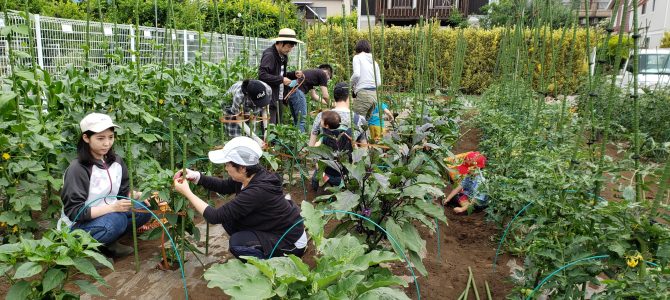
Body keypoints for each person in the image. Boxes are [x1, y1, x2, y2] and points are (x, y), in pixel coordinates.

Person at [172, 137, 307, 260]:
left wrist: (187, 192)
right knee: (230, 220)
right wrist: (196, 176)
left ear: (242, 168)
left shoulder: (257, 191)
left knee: (238, 244)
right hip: (274, 227)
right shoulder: (251, 175)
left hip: (290, 242)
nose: (225, 168)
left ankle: (269, 267)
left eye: (227, 165)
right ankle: (259, 247)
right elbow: (224, 186)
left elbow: (214, 216)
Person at [59, 113, 151, 258]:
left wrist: (140, 195)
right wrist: (112, 208)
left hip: (108, 215)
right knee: (116, 220)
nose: (107, 143)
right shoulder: (78, 169)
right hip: (77, 226)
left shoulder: (116, 162)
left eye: (110, 137)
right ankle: (87, 251)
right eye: (100, 138)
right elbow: (75, 212)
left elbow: (122, 192)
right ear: (86, 138)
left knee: (143, 209)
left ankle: (107, 243)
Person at [258, 28, 303, 124]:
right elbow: (262, 75)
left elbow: (280, 74)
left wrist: (293, 74)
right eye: (289, 46)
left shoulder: (283, 56)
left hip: (279, 96)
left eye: (292, 47)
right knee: (270, 128)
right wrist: (281, 79)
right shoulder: (269, 55)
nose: (290, 50)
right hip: (268, 97)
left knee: (278, 127)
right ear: (281, 42)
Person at [308, 82, 367, 148]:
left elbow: (311, 145)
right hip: (349, 158)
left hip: (324, 157)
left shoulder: (321, 116)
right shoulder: (360, 120)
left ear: (334, 96)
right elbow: (364, 150)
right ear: (349, 97)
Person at [222, 79, 272, 145]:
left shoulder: (267, 89)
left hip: (250, 105)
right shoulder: (239, 97)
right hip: (232, 108)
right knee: (237, 139)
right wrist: (257, 139)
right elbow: (239, 120)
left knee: (250, 138)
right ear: (249, 96)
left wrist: (266, 129)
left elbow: (265, 109)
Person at [287, 64, 333, 132]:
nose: (327, 81)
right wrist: (332, 105)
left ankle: (295, 141)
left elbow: (314, 96)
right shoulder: (323, 73)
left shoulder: (312, 75)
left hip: (291, 93)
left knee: (297, 120)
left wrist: (328, 103)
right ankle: (300, 141)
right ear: (327, 73)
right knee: (302, 121)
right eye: (328, 79)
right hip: (298, 93)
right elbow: (325, 96)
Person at [350, 39, 382, 119]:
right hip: (374, 95)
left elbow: (357, 74)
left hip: (363, 93)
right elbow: (378, 83)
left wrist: (349, 85)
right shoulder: (374, 62)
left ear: (358, 48)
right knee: (365, 122)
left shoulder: (357, 57)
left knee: (356, 121)